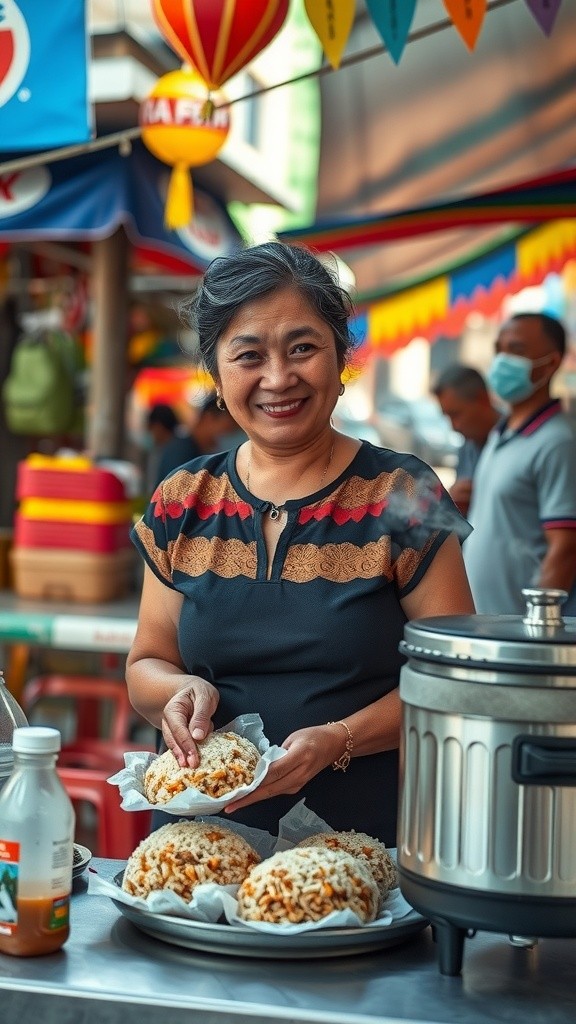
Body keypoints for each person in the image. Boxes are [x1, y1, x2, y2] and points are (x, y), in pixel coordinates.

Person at [125, 241, 474, 846]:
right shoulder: (183, 499)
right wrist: (179, 691)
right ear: (217, 372)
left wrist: (338, 740)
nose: (278, 378)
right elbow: (145, 665)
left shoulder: (403, 491)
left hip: (355, 856)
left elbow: (454, 676)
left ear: (341, 356)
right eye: (249, 356)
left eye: (303, 348)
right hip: (194, 856)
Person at [463, 311, 576, 615]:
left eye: (516, 350)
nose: (501, 360)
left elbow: (565, 548)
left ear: (550, 364)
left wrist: (535, 629)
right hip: (488, 626)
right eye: (499, 349)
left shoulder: (557, 442)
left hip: (518, 636)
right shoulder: (501, 432)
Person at [432, 364, 500, 515]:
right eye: (447, 416)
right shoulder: (467, 447)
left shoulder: (515, 441)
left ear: (483, 399)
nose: (454, 426)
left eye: (456, 414)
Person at [153, 393, 241, 488]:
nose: (227, 436)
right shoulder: (182, 451)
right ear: (209, 418)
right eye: (227, 429)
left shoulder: (196, 451)